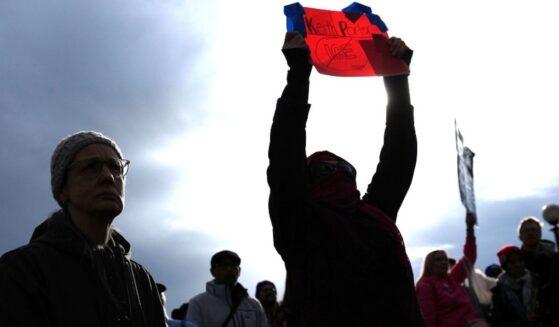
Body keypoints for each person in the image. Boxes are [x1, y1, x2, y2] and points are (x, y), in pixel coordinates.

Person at [267, 31, 423, 326]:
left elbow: (399, 153)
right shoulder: (299, 222)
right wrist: (299, 73)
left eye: (347, 170)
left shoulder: (374, 217)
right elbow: (285, 151)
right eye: (325, 170)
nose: (339, 174)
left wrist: (397, 77)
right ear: (306, 182)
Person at [0, 131, 166, 326]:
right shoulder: (22, 270)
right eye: (91, 167)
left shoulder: (142, 280)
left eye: (115, 167)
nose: (108, 177)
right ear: (63, 190)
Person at [415, 212, 488, 327]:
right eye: (438, 260)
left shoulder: (453, 278)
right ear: (429, 264)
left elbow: (469, 257)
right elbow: (428, 318)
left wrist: (470, 229)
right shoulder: (426, 286)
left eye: (445, 259)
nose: (444, 262)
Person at [186, 250, 268, 327]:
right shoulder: (198, 303)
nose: (229, 269)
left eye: (233, 265)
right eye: (223, 265)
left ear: (239, 271)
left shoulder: (254, 305)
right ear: (212, 271)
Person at [490, 245, 540, 327]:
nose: (517, 264)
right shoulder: (498, 291)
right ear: (506, 266)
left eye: (520, 260)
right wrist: (523, 322)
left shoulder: (536, 281)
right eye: (512, 262)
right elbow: (496, 322)